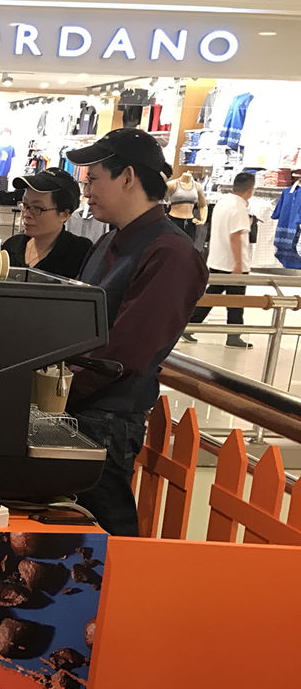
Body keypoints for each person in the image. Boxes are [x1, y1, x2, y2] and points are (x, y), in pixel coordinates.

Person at [64, 129, 208, 537]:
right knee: (72, 533)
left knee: (107, 535)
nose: (86, 190)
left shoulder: (170, 253)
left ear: (127, 177)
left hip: (105, 420)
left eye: (93, 179)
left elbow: (125, 353)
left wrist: (56, 390)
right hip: (79, 410)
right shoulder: (111, 240)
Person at [183, 171, 256, 348]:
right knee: (236, 302)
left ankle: (190, 325)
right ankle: (234, 336)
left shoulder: (224, 202)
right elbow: (235, 236)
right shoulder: (239, 207)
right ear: (250, 190)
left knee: (211, 296)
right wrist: (238, 264)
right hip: (232, 264)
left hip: (217, 260)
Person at [2, 167, 92, 278]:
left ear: (64, 214)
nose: (26, 214)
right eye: (25, 205)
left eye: (37, 208)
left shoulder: (79, 253)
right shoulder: (11, 247)